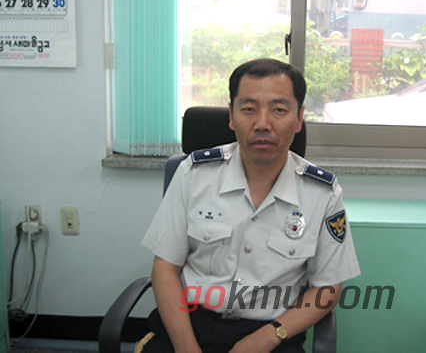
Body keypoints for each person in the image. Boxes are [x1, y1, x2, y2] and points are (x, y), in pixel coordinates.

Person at [141, 58, 360, 353]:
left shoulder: (322, 193)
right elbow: (166, 267)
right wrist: (186, 347)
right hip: (188, 326)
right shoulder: (194, 174)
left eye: (279, 110)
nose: (262, 124)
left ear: (299, 119)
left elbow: (328, 288)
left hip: (270, 335)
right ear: (231, 116)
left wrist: (271, 335)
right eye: (248, 109)